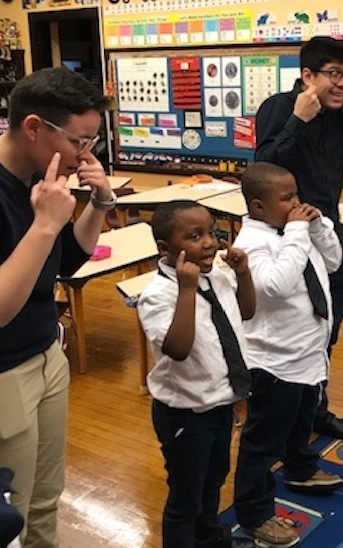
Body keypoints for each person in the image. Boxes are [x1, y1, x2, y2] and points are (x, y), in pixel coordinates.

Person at [0, 67, 113, 548]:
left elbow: (69, 260)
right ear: (33, 128)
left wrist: (100, 202)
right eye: (79, 141)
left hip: (47, 356)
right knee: (13, 511)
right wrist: (45, 223)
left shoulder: (41, 180)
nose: (84, 155)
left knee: (48, 497)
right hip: (6, 373)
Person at [254, 35, 343, 442]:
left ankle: (315, 410)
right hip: (288, 238)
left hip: (328, 233)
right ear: (308, 75)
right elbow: (263, 172)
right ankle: (286, 421)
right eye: (334, 74)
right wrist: (298, 120)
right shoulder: (279, 107)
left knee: (327, 329)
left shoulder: (338, 112)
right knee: (296, 329)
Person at [233, 162, 343, 547]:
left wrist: (316, 227)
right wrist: (298, 231)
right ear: (259, 206)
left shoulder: (297, 231)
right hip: (274, 360)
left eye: (296, 193)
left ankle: (299, 469)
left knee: (301, 421)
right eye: (287, 198)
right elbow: (276, 286)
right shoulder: (251, 242)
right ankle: (254, 512)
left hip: (308, 351)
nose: (297, 203)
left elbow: (333, 263)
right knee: (262, 440)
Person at [137, 200, 256, 548]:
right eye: (194, 236)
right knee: (186, 494)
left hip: (220, 403)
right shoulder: (157, 295)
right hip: (185, 413)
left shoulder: (217, 277)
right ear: (165, 249)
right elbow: (178, 347)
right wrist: (186, 290)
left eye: (212, 232)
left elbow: (247, 311)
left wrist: (244, 273)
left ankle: (210, 537)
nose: (209, 243)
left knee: (214, 479)